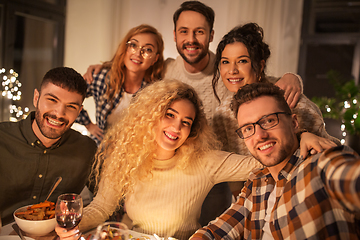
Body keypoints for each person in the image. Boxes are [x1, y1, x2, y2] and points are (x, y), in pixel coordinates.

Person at [82, 0, 303, 227]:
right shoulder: (166, 70)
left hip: (213, 183)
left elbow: (258, 82)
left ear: (210, 35)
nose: (191, 39)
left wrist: (290, 79)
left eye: (199, 32)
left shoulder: (226, 69)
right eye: (184, 31)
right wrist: (103, 66)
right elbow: (134, 63)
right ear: (175, 36)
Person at [55, 80, 333, 240]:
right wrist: (68, 229)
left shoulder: (204, 161)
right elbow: (101, 207)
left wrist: (302, 135)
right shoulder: (125, 157)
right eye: (169, 115)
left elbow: (266, 158)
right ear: (151, 116)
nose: (177, 127)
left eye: (186, 122)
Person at [190, 82, 359, 240]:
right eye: (249, 128)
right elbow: (219, 230)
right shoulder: (257, 181)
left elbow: (348, 175)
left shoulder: (320, 164)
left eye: (269, 121)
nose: (260, 135)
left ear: (294, 123)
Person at [212, 22, 340, 156]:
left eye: (242, 61)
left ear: (260, 65)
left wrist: (303, 135)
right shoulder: (222, 115)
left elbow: (331, 149)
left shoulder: (288, 97)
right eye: (225, 62)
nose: (232, 70)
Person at [0, 67, 97, 225]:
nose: (59, 113)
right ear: (36, 97)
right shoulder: (2, 138)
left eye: (71, 107)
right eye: (52, 100)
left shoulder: (87, 149)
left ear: (79, 111)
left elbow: (107, 200)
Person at [76, 24, 164, 145]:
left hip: (132, 155)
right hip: (100, 150)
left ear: (155, 58)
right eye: (133, 45)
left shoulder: (154, 92)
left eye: (148, 49)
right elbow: (69, 96)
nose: (138, 53)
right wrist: (88, 124)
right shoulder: (101, 77)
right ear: (125, 48)